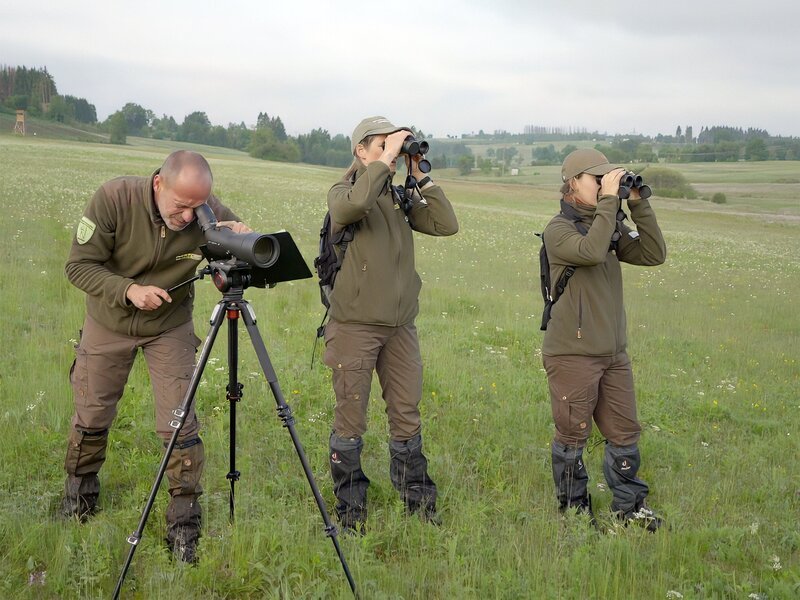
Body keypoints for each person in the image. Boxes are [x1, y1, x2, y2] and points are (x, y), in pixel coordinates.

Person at [61, 150, 251, 562]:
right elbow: (78, 266)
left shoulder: (206, 209)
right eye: (180, 206)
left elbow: (232, 253)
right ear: (158, 183)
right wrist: (128, 290)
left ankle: (184, 524)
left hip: (170, 326)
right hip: (109, 322)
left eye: (196, 207)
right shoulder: (113, 199)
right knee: (92, 413)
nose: (188, 217)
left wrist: (237, 238)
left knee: (179, 424)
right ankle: (80, 497)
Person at [322, 116, 459, 533]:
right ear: (361, 151)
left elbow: (446, 225)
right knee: (351, 417)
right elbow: (353, 206)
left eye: (395, 145)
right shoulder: (344, 192)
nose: (393, 152)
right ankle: (351, 510)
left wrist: (420, 175)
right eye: (381, 144)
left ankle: (418, 502)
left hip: (400, 327)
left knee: (406, 414)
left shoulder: (399, 198)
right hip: (355, 326)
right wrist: (384, 162)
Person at [541, 148, 667, 531]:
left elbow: (653, 253)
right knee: (572, 435)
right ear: (572, 182)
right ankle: (575, 513)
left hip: (613, 353)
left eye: (606, 178)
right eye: (596, 179)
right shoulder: (558, 230)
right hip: (573, 354)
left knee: (624, 432)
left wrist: (637, 204)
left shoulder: (607, 223)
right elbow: (592, 252)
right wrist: (610, 203)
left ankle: (629, 508)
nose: (602, 184)